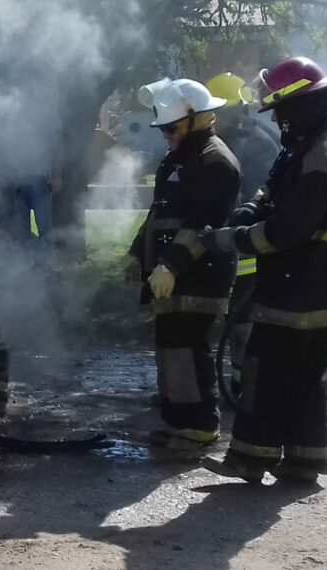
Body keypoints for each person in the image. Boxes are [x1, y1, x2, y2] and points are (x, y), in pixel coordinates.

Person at [199, 57, 327, 484]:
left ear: (299, 104)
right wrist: (250, 207)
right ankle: (304, 462)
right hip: (318, 288)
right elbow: (274, 188)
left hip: (298, 288)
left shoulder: (321, 158)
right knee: (306, 379)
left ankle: (250, 458)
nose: (276, 118)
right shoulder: (309, 144)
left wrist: (230, 239)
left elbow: (287, 232)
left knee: (266, 373)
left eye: (280, 108)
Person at [126, 77, 241, 451]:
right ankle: (180, 423)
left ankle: (200, 425)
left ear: (197, 119)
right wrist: (136, 252)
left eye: (171, 128)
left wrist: (171, 266)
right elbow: (159, 213)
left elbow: (204, 224)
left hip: (199, 275)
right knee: (171, 345)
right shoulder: (178, 157)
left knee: (189, 347)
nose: (166, 135)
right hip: (172, 274)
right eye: (163, 129)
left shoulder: (215, 161)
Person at [205, 72, 283, 397]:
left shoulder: (238, 146)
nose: (210, 121)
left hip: (245, 248)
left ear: (229, 110)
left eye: (214, 113)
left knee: (240, 322)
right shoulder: (261, 136)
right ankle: (240, 384)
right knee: (242, 321)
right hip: (247, 243)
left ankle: (240, 386)